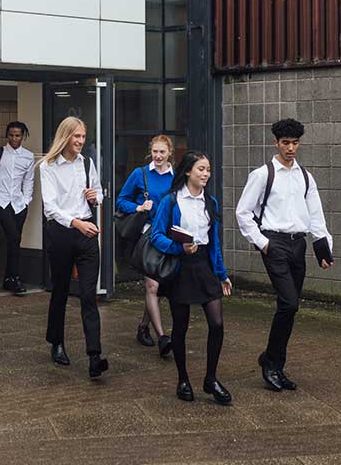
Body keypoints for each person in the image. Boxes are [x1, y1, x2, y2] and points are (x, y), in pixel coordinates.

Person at [234, 118, 334, 392]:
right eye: (286, 143)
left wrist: (321, 245)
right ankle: (272, 365)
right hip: (274, 243)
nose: (291, 148)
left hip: (298, 245)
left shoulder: (305, 176)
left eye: (295, 143)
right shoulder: (263, 174)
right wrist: (263, 243)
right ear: (276, 143)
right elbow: (243, 212)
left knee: (290, 306)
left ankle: (272, 359)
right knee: (288, 304)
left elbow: (315, 212)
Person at [148, 150, 233, 404]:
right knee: (181, 327)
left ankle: (211, 379)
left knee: (217, 324)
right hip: (180, 268)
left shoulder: (211, 202)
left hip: (204, 266)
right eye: (201, 170)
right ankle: (183, 379)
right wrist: (178, 248)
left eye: (208, 170)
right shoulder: (171, 201)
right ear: (188, 171)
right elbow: (156, 236)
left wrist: (222, 273)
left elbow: (214, 243)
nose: (206, 174)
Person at [39, 116, 109, 379]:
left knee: (89, 295)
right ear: (65, 136)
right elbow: (50, 207)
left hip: (87, 232)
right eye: (76, 136)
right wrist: (76, 223)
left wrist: (95, 197)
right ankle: (56, 343)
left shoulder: (87, 163)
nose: (80, 141)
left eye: (83, 136)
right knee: (60, 290)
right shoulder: (47, 166)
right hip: (61, 233)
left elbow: (99, 193)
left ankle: (94, 356)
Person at [116, 134, 176, 356]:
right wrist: (139, 208)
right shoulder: (139, 174)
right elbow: (121, 200)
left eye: (162, 152)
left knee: (158, 288)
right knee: (152, 286)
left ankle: (143, 327)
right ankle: (162, 337)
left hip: (168, 236)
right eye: (154, 151)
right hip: (148, 234)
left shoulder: (176, 177)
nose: (158, 156)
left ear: (170, 152)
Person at [0, 121, 35, 296]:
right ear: (7, 135)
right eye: (11, 135)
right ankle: (14, 278)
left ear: (23, 136)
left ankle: (9, 279)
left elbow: (29, 181)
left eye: (17, 135)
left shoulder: (28, 156)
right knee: (14, 237)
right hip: (1, 202)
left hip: (19, 204)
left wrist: (26, 201)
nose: (14, 138)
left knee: (14, 240)